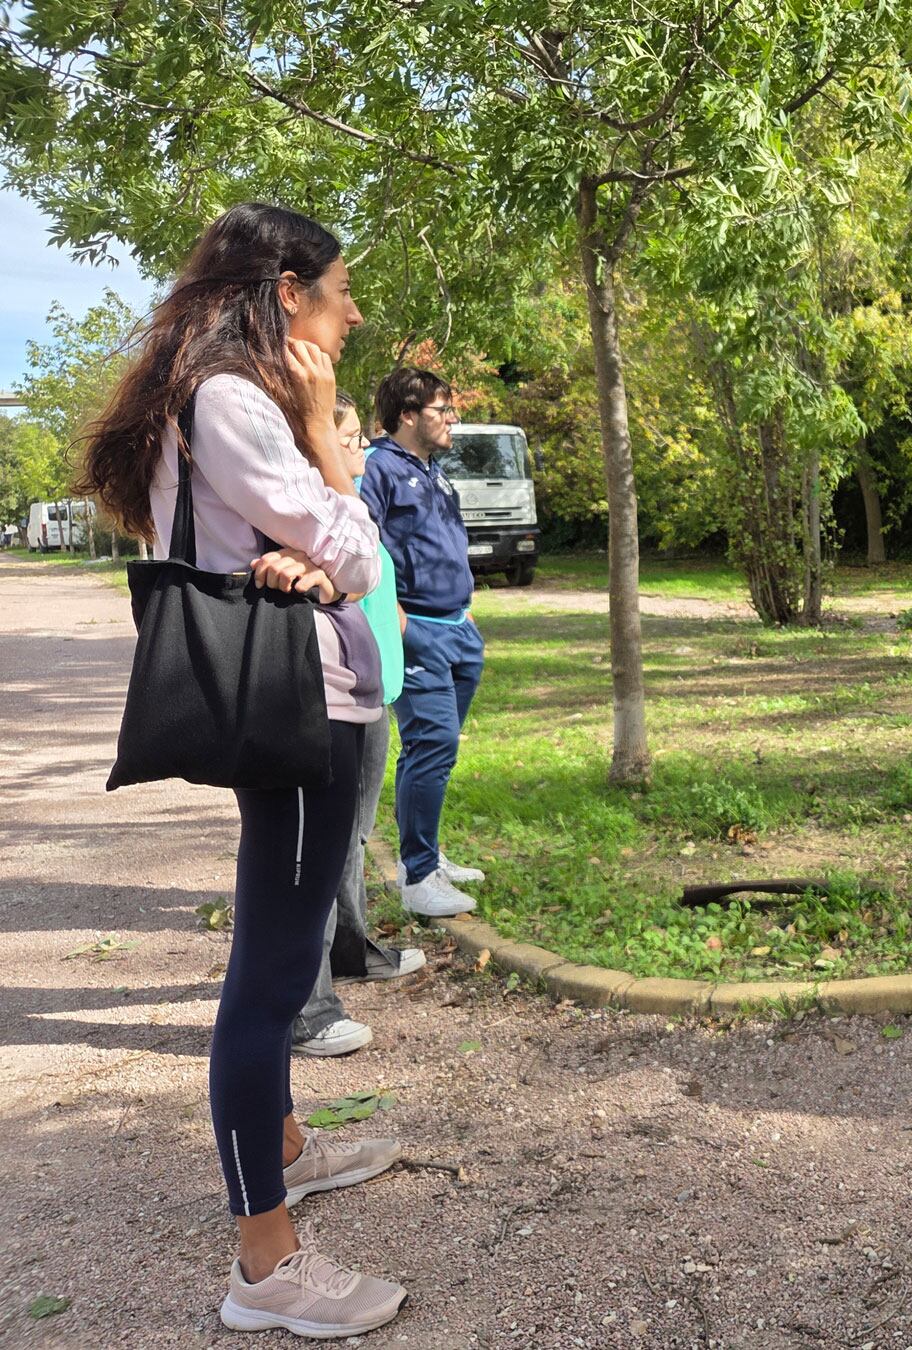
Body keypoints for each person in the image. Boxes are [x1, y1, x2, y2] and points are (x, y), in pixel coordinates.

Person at [76, 203, 407, 1336]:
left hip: (299, 698)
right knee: (270, 979)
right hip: (305, 709)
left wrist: (321, 541)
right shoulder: (233, 404)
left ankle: (286, 1147)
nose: (353, 311)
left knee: (276, 951)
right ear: (285, 295)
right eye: (340, 291)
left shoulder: (208, 401)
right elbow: (361, 556)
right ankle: (263, 1267)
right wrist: (327, 444)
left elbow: (332, 558)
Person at [291, 395, 425, 1058]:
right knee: (317, 848)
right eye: (348, 439)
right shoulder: (310, 509)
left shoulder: (348, 500)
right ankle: (307, 1004)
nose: (362, 450)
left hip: (372, 688)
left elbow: (373, 577)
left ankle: (351, 951)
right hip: (332, 694)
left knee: (353, 835)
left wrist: (393, 614)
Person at [360, 367, 487, 916]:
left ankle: (427, 854)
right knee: (431, 744)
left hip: (459, 628)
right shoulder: (379, 469)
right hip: (421, 633)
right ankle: (416, 879)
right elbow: (361, 551)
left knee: (437, 750)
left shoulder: (432, 470)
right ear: (408, 415)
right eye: (443, 409)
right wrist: (400, 625)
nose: (453, 418)